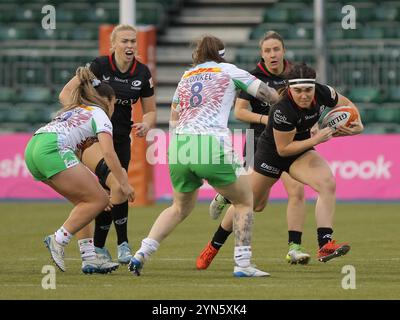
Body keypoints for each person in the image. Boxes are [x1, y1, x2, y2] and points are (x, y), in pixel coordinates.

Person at [127, 35, 279, 277]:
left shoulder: (186, 77)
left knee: (178, 208)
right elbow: (267, 95)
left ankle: (142, 253)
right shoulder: (228, 70)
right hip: (209, 143)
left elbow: (175, 116)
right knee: (244, 201)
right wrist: (289, 103)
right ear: (222, 53)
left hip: (179, 146)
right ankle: (243, 264)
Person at [198, 62, 364, 268]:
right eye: (298, 90)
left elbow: (346, 105)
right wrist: (316, 139)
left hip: (301, 150)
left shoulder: (323, 92)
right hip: (272, 153)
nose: (304, 95)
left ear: (314, 87)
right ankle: (213, 246)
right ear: (290, 89)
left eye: (308, 90)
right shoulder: (281, 110)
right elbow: (283, 150)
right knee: (250, 204)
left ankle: (325, 243)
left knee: (327, 183)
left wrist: (357, 124)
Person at [197, 31, 311, 270]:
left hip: (288, 144)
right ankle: (214, 242)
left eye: (276, 49)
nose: (272, 54)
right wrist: (266, 119)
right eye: (267, 50)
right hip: (259, 141)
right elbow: (239, 111)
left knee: (297, 190)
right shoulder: (253, 76)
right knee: (254, 204)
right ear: (262, 54)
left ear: (283, 51)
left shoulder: (294, 76)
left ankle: (294, 247)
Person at [59, 24, 156, 264]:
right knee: (108, 187)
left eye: (133, 41)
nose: (130, 46)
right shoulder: (98, 66)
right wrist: (80, 114)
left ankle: (119, 245)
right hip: (94, 138)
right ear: (113, 44)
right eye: (124, 41)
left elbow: (150, 111)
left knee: (117, 188)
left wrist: (146, 124)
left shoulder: (142, 72)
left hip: (121, 137)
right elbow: (65, 93)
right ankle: (103, 247)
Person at [24, 67, 135, 273]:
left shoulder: (76, 106)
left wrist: (85, 75)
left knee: (85, 203)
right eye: (114, 102)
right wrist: (125, 184)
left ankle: (89, 258)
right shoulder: (100, 114)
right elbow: (109, 154)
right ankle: (58, 239)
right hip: (53, 149)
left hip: (34, 146)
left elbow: (64, 92)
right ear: (109, 101)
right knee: (100, 200)